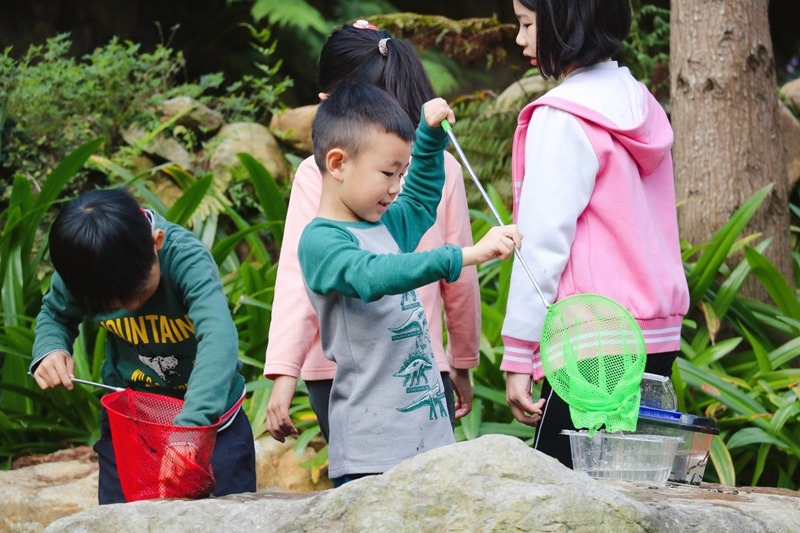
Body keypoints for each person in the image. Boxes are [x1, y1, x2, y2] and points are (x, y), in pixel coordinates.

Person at [264, 21, 481, 444]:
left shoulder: (322, 169)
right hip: (420, 367)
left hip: (341, 372)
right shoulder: (444, 166)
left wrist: (286, 371)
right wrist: (461, 359)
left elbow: (295, 278)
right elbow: (460, 280)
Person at [299, 83, 521, 486]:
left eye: (401, 172)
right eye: (388, 173)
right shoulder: (321, 241)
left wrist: (431, 138)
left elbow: (419, 202)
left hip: (427, 443)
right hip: (371, 454)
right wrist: (465, 255)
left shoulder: (383, 223)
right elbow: (372, 275)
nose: (397, 186)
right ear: (337, 163)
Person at [502, 0, 690, 468]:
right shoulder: (642, 105)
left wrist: (518, 353)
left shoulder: (563, 117)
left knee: (564, 494)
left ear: (564, 20)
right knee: (629, 490)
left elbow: (542, 244)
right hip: (655, 337)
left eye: (527, 24)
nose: (521, 39)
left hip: (593, 342)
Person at [30, 187, 256, 503]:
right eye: (111, 304)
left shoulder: (184, 258)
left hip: (211, 425)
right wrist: (51, 348)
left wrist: (192, 428)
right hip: (131, 426)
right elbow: (55, 314)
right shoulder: (85, 268)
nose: (130, 306)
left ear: (156, 242)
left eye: (138, 291)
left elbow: (218, 337)